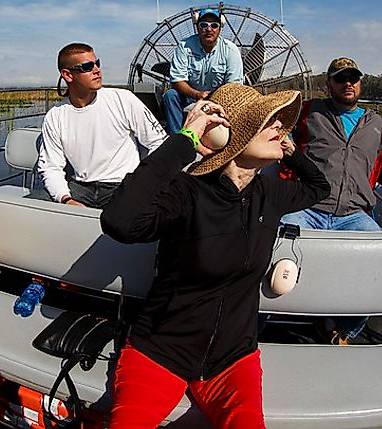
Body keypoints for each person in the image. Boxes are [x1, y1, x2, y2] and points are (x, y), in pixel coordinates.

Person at [101, 83, 330, 428]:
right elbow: (119, 221)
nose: (280, 128)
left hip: (233, 359)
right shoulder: (188, 192)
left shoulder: (270, 193)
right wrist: (186, 139)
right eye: (268, 121)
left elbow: (319, 187)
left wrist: (291, 151)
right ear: (228, 135)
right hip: (160, 352)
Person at [280, 56, 382, 344]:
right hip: (308, 206)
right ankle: (257, 324)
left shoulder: (376, 124)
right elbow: (279, 139)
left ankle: (344, 330)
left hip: (354, 214)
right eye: (340, 78)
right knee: (277, 247)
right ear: (328, 83)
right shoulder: (308, 112)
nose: (348, 83)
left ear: (360, 83)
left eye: (353, 78)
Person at [37, 43, 167, 209]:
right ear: (68, 75)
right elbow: (50, 166)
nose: (97, 70)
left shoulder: (123, 100)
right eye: (87, 66)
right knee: (33, 204)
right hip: (80, 188)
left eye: (97, 63)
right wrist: (66, 200)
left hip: (123, 186)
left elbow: (158, 143)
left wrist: (142, 182)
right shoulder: (55, 116)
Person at [162, 8, 245, 133]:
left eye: (214, 25)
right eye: (204, 25)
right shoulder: (184, 47)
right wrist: (197, 94)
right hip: (190, 96)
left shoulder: (230, 50)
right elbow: (177, 80)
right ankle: (178, 139)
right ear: (197, 27)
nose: (209, 29)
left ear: (220, 28)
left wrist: (215, 100)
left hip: (220, 99)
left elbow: (234, 87)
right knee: (170, 95)